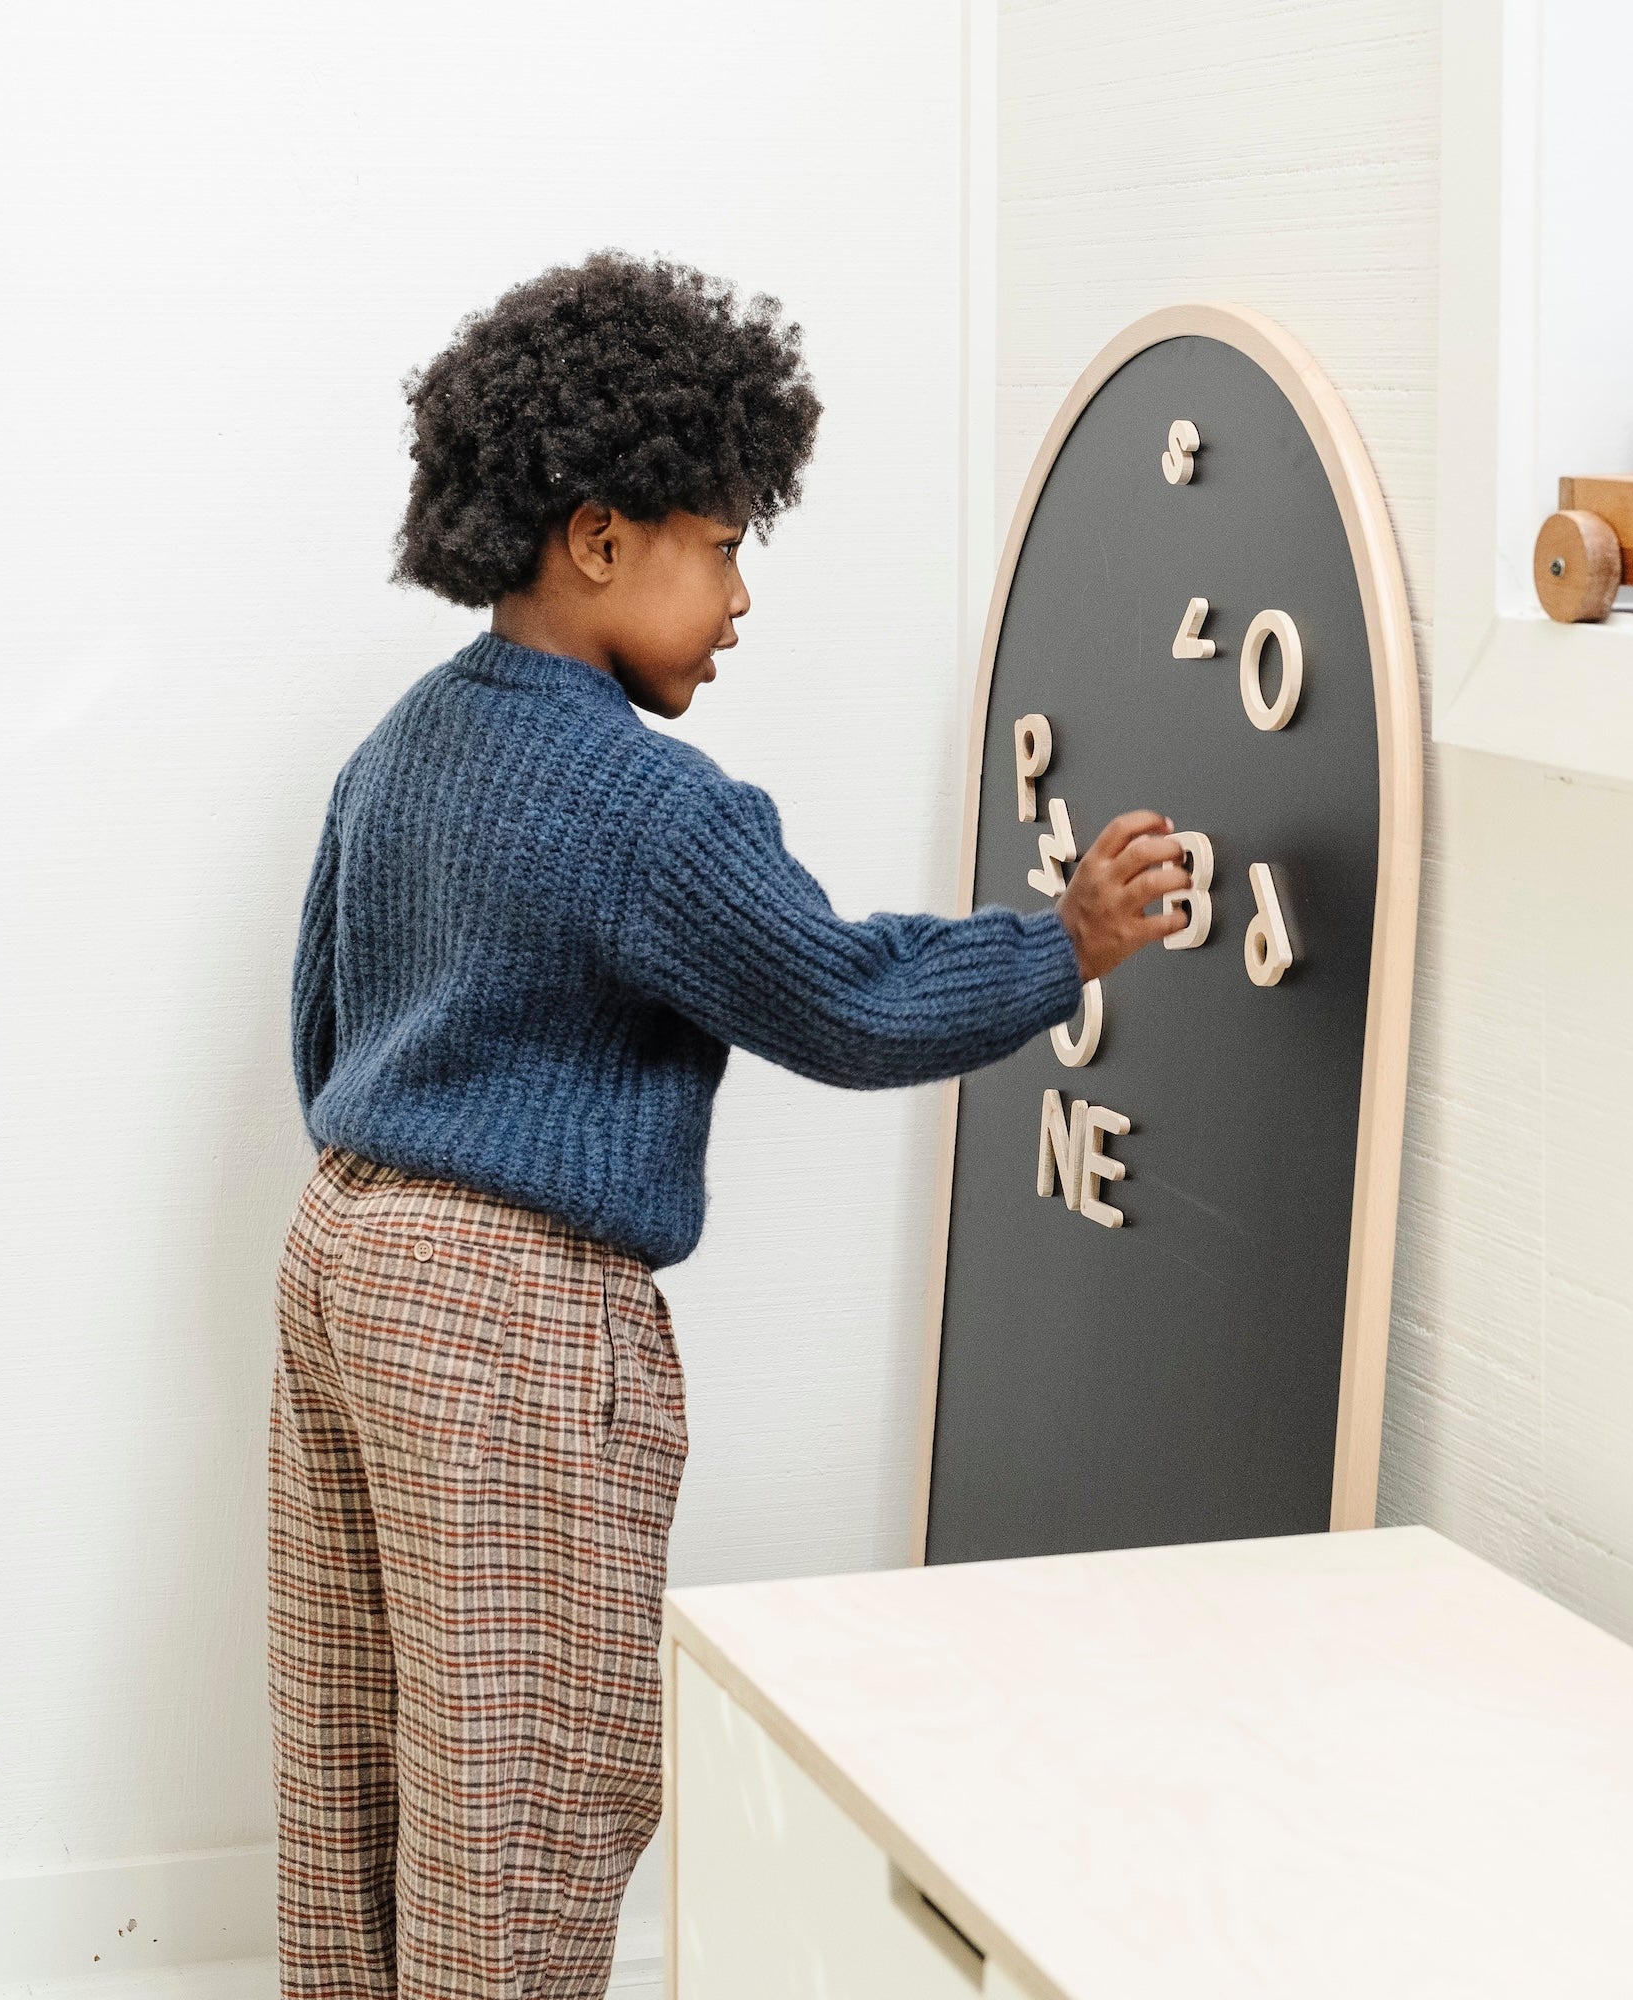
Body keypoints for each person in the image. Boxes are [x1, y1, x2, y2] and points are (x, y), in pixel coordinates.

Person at [268, 250, 1189, 2000]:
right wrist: (1057, 946)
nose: (744, 593)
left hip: (342, 1260)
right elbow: (838, 997)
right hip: (504, 1314)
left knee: (363, 1774)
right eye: (723, 541)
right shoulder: (645, 804)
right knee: (523, 1799)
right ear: (598, 537)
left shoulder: (395, 750)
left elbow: (321, 1010)